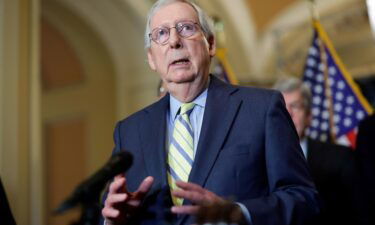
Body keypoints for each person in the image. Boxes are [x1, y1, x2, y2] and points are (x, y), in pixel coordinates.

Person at [101, 1, 320, 224]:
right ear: (151, 58)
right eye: (162, 33)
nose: (175, 41)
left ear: (211, 44)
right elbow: (109, 210)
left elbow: (304, 199)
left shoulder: (261, 108)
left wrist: (237, 213)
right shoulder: (128, 132)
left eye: (186, 28)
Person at [274, 77, 372, 225]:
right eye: (282, 107)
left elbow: (361, 215)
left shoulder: (341, 158)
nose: (288, 114)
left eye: (295, 106)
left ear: (309, 116)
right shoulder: (259, 159)